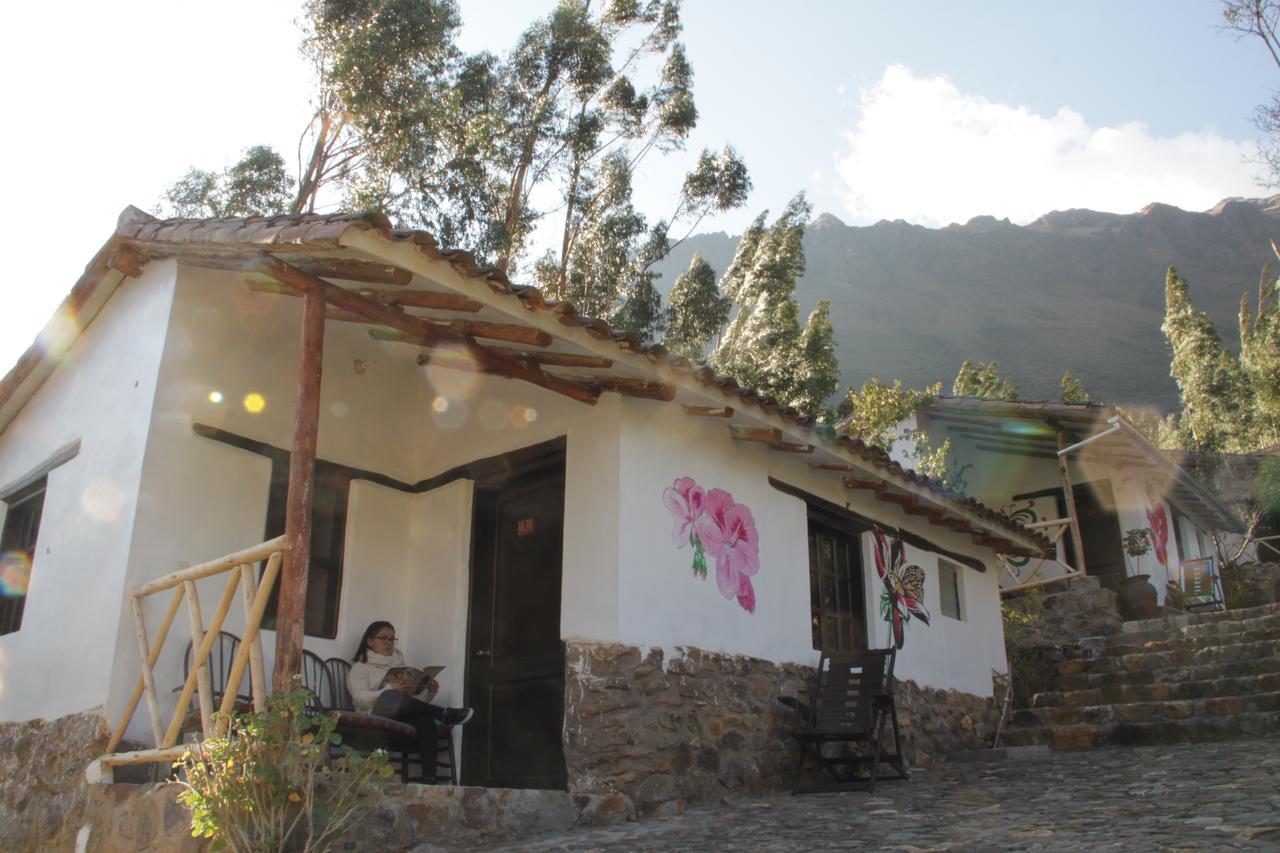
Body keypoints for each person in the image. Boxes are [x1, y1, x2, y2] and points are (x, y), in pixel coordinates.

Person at [348, 621, 473, 777]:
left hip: (400, 712)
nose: (388, 643)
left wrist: (428, 690)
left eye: (392, 639)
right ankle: (443, 713)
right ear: (370, 641)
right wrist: (389, 690)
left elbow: (412, 701)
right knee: (394, 696)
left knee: (425, 719)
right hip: (372, 711)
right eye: (383, 638)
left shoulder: (399, 666)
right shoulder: (361, 668)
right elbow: (359, 698)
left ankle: (429, 778)